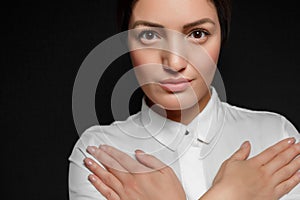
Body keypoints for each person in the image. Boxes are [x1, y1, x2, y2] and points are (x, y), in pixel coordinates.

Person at [68, 0, 300, 199]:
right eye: (149, 35)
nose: (174, 62)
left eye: (197, 34)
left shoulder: (276, 138)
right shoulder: (99, 156)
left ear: (223, 36)